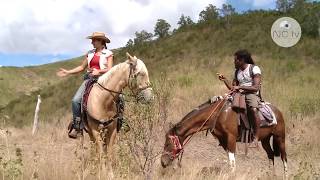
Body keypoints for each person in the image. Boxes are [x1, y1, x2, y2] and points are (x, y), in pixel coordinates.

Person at [57, 32, 113, 139]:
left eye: (94, 40)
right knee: (75, 100)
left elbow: (110, 69)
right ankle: (78, 127)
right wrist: (68, 72)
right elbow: (82, 67)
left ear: (101, 41)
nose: (92, 42)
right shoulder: (90, 53)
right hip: (90, 79)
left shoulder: (108, 53)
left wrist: (99, 71)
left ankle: (121, 121)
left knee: (120, 96)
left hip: (104, 79)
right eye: (92, 40)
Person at [217, 49, 262, 142]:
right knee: (226, 106)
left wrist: (240, 87)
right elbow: (232, 87)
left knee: (254, 109)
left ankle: (256, 136)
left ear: (242, 60)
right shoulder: (237, 71)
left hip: (251, 94)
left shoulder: (254, 69)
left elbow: (256, 87)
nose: (234, 62)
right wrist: (224, 79)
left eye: (235, 60)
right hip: (239, 94)